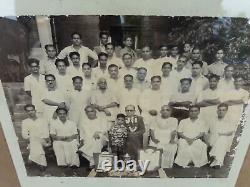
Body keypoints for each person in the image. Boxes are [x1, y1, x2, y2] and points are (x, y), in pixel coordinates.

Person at [21, 104, 50, 169]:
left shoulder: (43, 120)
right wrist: (31, 138)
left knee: (35, 140)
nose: (30, 112)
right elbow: (24, 135)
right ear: (26, 112)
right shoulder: (25, 122)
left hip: (43, 140)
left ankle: (31, 159)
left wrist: (43, 139)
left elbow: (46, 133)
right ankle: (42, 163)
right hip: (31, 141)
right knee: (34, 140)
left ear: (35, 110)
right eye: (28, 111)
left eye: (32, 110)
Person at [209, 103, 235, 168]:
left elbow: (231, 132)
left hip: (224, 138)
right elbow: (209, 131)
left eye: (223, 110)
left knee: (222, 139)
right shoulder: (212, 119)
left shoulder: (229, 120)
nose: (221, 112)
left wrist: (221, 134)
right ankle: (217, 161)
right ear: (217, 111)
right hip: (213, 138)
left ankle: (217, 162)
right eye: (220, 110)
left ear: (226, 111)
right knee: (220, 140)